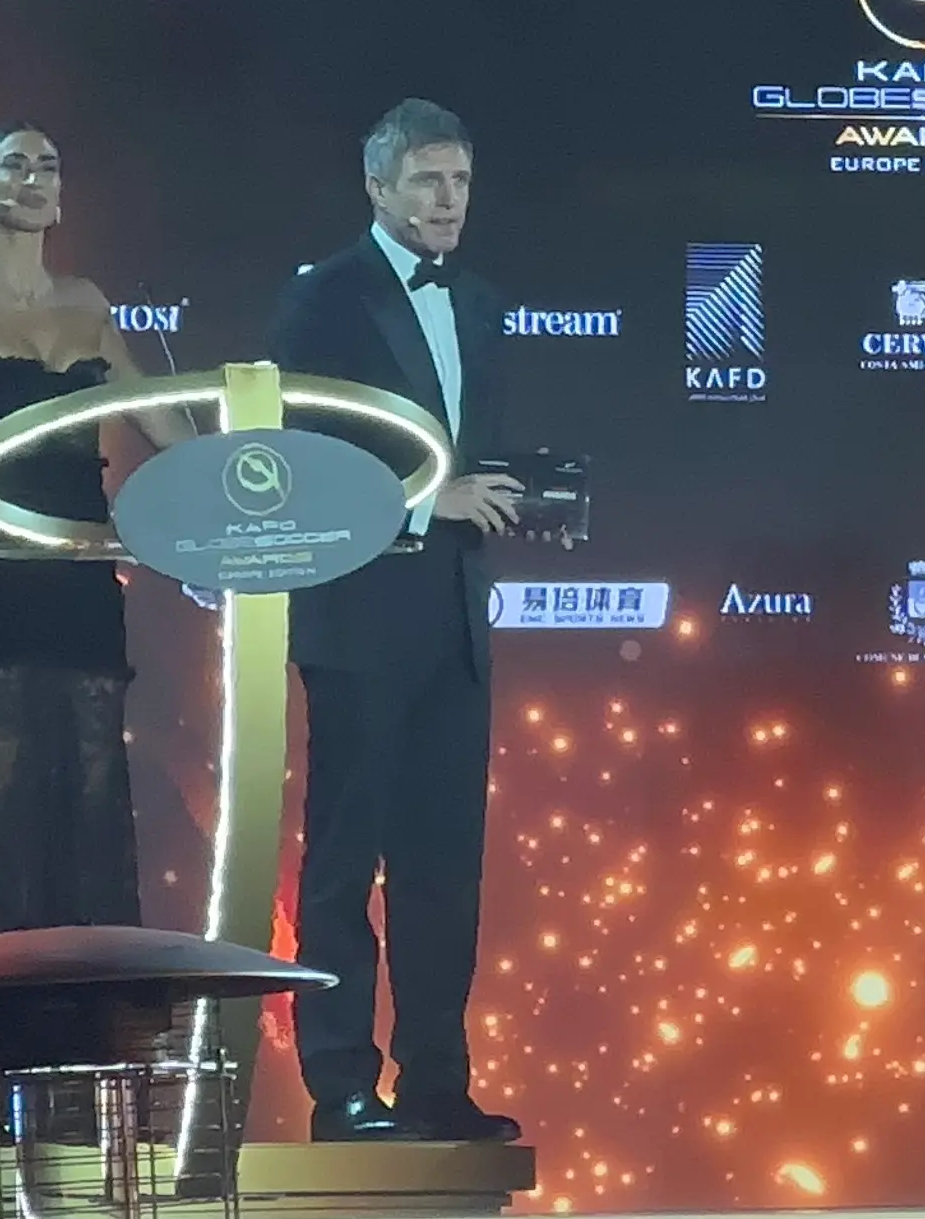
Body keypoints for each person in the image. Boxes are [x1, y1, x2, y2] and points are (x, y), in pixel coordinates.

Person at [271, 99, 524, 1144]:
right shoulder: (326, 296)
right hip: (357, 613)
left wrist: (520, 496)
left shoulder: (482, 302)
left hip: (453, 623)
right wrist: (425, 503)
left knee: (443, 867)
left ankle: (437, 1082)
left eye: (460, 180)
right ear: (377, 186)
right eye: (428, 179)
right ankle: (339, 1085)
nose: (448, 199)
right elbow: (294, 451)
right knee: (343, 860)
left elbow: (473, 455)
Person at [0, 121, 192, 942]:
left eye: (49, 166)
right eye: (15, 165)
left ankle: (92, 1009)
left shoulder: (87, 302)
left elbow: (151, 414)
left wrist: (229, 473)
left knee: (92, 790)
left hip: (79, 566)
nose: (34, 179)